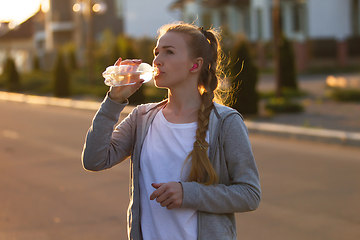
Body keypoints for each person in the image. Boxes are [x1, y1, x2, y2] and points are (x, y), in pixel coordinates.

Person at [82, 22, 261, 240]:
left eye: (169, 52)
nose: (157, 60)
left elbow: (250, 194)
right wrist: (114, 100)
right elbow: (94, 160)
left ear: (195, 65)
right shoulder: (142, 118)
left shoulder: (225, 122)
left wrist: (189, 193)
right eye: (156, 52)